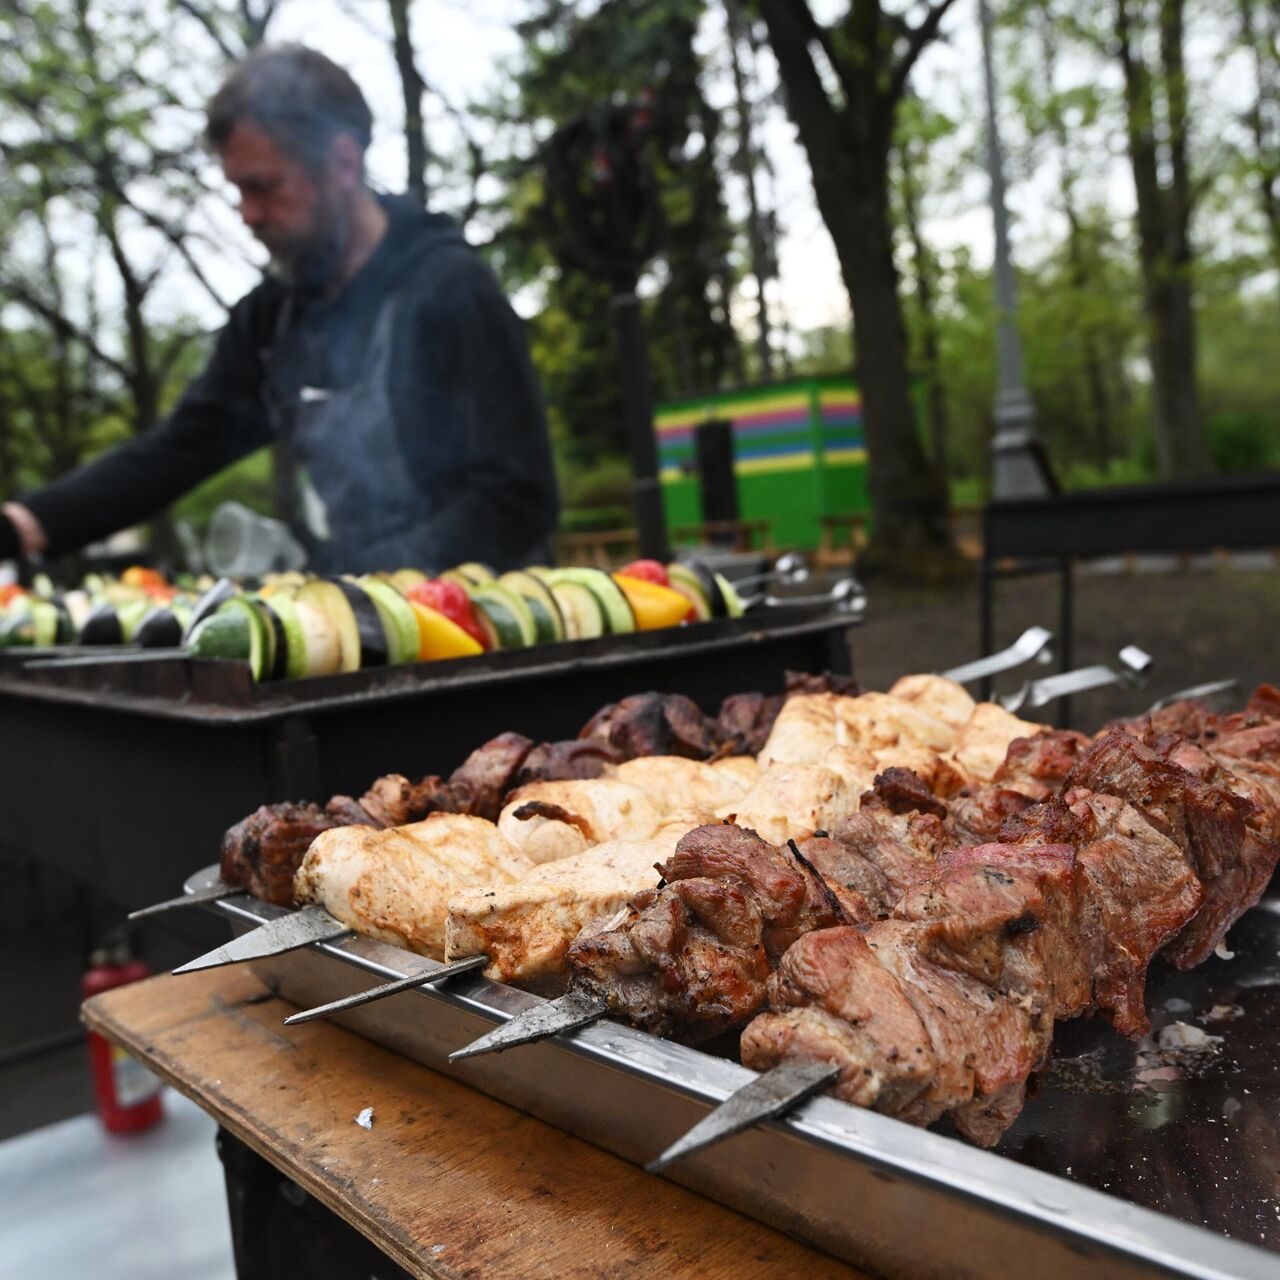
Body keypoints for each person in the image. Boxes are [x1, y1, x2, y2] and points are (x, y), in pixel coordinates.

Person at [0, 45, 559, 575]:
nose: (247, 214)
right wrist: (23, 526)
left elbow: (516, 498)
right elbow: (178, 448)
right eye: (237, 191)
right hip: (364, 619)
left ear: (342, 163)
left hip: (492, 630)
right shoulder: (271, 321)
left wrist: (359, 582)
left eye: (263, 188)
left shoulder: (450, 286)